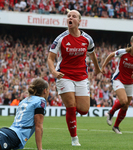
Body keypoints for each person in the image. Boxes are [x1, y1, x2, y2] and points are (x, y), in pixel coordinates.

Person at [47, 9, 101, 146]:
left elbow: (92, 54)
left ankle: (72, 115)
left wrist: (97, 68)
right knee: (71, 106)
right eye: (69, 16)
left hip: (81, 76)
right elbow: (50, 58)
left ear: (79, 21)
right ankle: (74, 138)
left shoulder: (87, 39)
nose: (70, 18)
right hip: (64, 75)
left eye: (74, 16)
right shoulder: (60, 39)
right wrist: (53, 71)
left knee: (83, 110)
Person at [101, 34, 133, 134]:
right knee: (123, 101)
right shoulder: (123, 52)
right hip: (118, 79)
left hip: (130, 82)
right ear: (131, 42)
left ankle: (116, 126)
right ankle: (110, 113)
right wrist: (103, 66)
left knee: (125, 107)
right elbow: (111, 55)